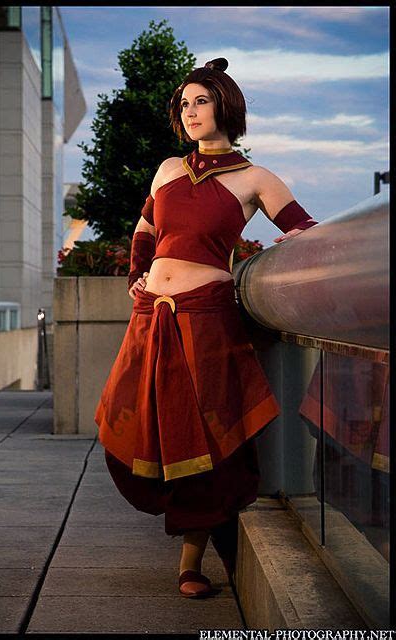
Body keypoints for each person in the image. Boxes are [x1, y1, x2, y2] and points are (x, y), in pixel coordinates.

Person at [94, 57, 318, 598]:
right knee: (145, 423)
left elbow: (305, 229)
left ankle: (190, 562)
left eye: (201, 101)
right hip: (152, 317)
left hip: (207, 320)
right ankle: (195, 546)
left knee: (210, 438)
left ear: (226, 105)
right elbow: (146, 229)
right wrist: (136, 275)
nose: (190, 112)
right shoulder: (169, 168)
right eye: (184, 104)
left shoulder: (256, 178)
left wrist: (295, 247)